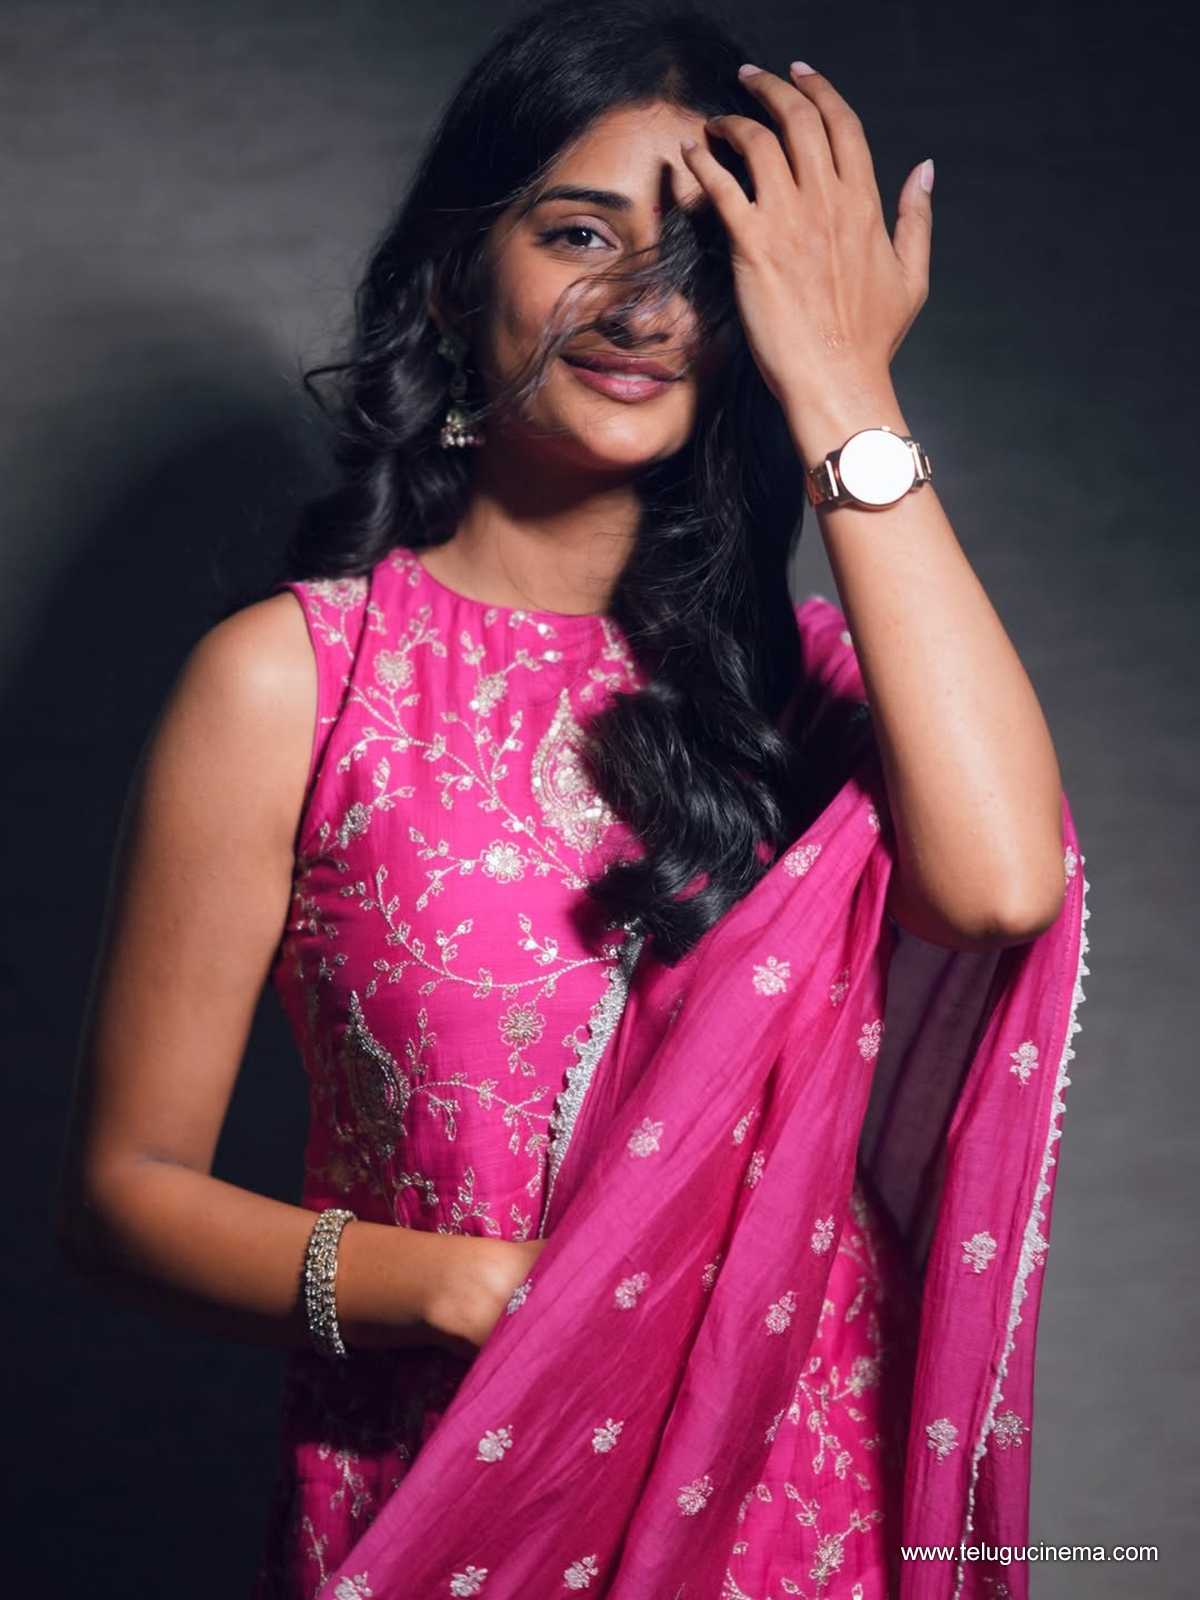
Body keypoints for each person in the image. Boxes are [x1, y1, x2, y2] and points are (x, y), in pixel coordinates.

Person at [54, 2, 1091, 1596]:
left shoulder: (824, 691)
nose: (644, 307)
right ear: (453, 274)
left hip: (801, 1513)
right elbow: (123, 1198)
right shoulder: (300, 684)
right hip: (457, 1492)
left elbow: (1005, 885)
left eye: (704, 262)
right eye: (579, 234)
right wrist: (464, 1290)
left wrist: (843, 384)